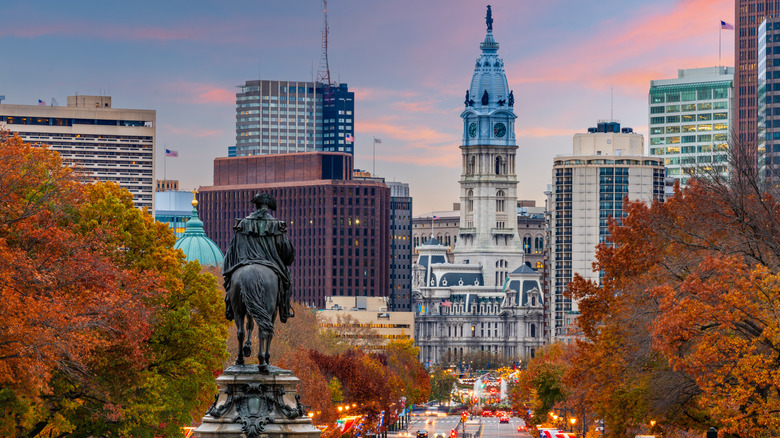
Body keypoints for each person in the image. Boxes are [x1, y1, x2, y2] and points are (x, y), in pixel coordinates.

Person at [222, 193, 295, 322]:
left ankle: (229, 306)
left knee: (231, 282)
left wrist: (228, 271)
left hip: (244, 261)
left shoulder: (243, 223)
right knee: (287, 282)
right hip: (270, 263)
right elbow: (286, 250)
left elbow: (232, 249)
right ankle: (285, 309)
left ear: (256, 207)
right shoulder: (276, 225)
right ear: (268, 208)